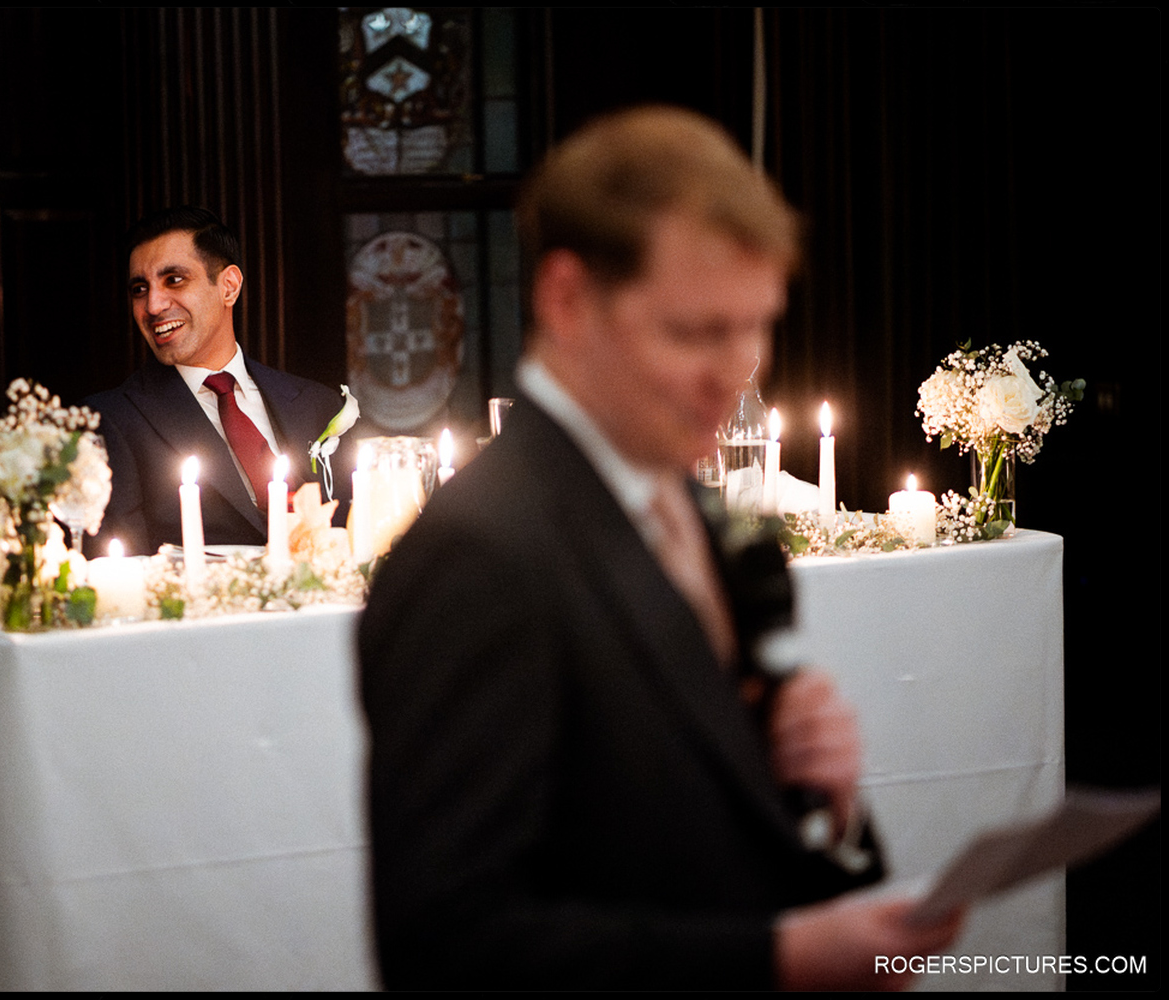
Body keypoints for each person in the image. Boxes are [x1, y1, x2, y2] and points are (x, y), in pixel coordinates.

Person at [358, 106, 964, 990]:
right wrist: (779, 961)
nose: (737, 372)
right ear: (567, 300)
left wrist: (807, 784)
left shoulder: (689, 499)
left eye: (756, 326)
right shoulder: (477, 555)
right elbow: (448, 946)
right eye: (695, 332)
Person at [83, 206, 351, 555]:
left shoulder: (320, 405)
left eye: (174, 280)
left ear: (228, 287)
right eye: (139, 289)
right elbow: (121, 573)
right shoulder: (110, 421)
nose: (153, 305)